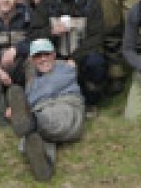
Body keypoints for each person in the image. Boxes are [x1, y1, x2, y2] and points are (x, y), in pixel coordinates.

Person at [6, 38, 84, 182]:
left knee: (50, 119)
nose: (43, 59)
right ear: (32, 59)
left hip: (66, 107)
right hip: (41, 111)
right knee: (34, 136)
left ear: (54, 55)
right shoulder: (32, 80)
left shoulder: (66, 68)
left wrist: (24, 105)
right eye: (38, 56)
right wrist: (20, 109)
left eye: (46, 54)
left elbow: (49, 88)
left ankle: (31, 122)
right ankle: (45, 166)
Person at [31, 0, 105, 112]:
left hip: (81, 59)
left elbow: (97, 36)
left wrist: (75, 59)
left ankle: (91, 100)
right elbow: (33, 34)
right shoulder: (46, 3)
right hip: (54, 59)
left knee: (96, 62)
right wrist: (51, 31)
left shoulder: (90, 3)